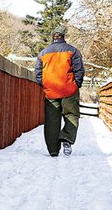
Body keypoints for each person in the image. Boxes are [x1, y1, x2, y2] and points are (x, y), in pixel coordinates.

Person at [34, 28, 84, 157]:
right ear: (63, 36)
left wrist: (44, 85)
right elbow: (79, 70)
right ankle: (67, 138)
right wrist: (76, 84)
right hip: (69, 89)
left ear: (53, 37)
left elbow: (38, 73)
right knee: (71, 114)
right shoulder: (72, 51)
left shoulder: (43, 53)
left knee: (51, 120)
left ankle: (53, 150)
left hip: (51, 91)